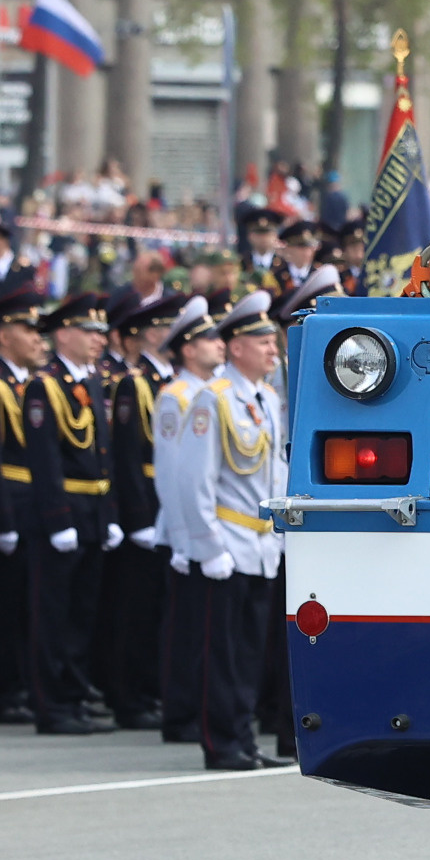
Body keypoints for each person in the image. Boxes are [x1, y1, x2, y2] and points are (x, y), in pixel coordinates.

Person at [187, 295, 291, 772]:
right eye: (262, 340)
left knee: (251, 651)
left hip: (262, 541)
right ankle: (222, 741)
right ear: (236, 347)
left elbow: (276, 470)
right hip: (228, 540)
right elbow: (196, 479)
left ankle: (245, 737)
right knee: (222, 652)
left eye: (273, 340)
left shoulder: (266, 398)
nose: (273, 349)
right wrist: (208, 546)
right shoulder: (213, 397)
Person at [23, 296, 121, 735]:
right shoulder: (46, 385)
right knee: (54, 613)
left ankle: (76, 694)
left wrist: (111, 511)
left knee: (85, 611)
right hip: (63, 512)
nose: (98, 340)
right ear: (63, 334)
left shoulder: (94, 382)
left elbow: (105, 454)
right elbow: (44, 461)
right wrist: (58, 518)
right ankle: (53, 703)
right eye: (88, 331)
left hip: (95, 509)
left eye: (101, 333)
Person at [0, 290, 48, 729]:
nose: (38, 339)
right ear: (3, 335)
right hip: (9, 504)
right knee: (1, 606)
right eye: (27, 331)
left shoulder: (22, 382)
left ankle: (15, 685)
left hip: (29, 503)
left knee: (23, 605)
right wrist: (0, 521)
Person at [104, 294, 181, 738]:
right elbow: (129, 457)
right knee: (135, 609)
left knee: (157, 608)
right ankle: (129, 696)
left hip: (165, 503)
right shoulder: (135, 383)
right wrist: (135, 517)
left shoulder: (167, 380)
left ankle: (149, 689)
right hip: (146, 506)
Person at [150, 297, 223, 753]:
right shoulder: (176, 397)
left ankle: (196, 709)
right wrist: (182, 538)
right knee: (188, 629)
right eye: (208, 339)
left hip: (201, 529)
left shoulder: (212, 393)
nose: (218, 345)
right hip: (184, 532)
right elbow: (172, 471)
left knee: (206, 630)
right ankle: (179, 713)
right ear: (187, 349)